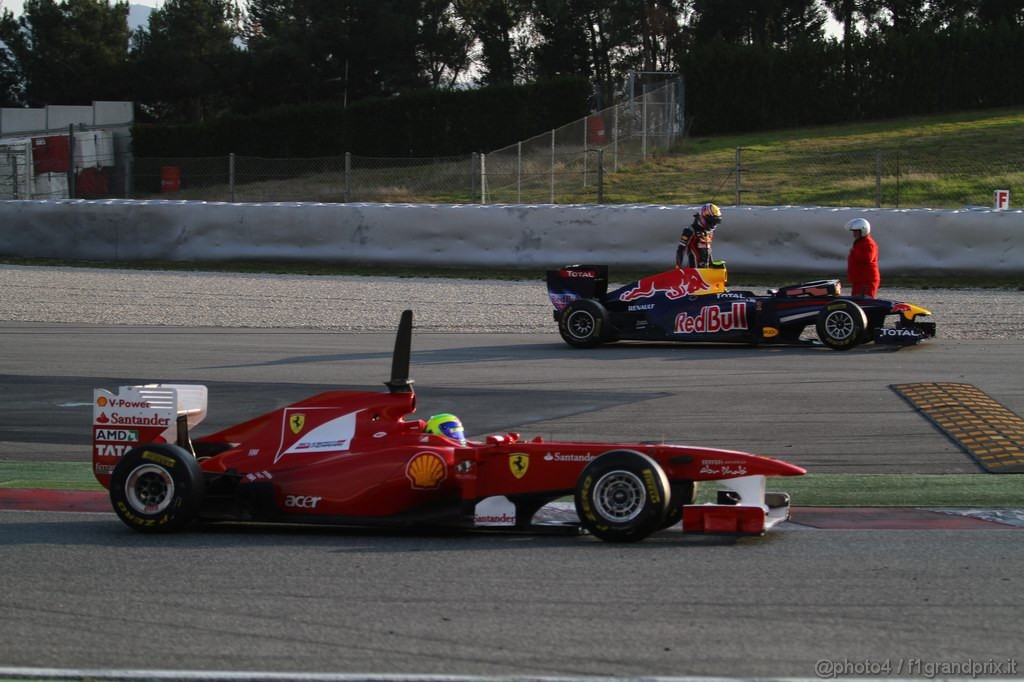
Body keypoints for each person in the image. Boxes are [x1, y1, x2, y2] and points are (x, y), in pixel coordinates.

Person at [676, 203, 721, 268]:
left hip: (706, 272)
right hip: (694, 272)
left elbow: (709, 251)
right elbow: (681, 249)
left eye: (715, 222)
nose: (713, 224)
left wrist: (712, 266)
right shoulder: (690, 230)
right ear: (705, 216)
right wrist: (678, 267)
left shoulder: (709, 232)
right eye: (712, 222)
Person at [846, 217, 880, 297]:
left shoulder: (868, 243)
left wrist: (854, 251)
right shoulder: (860, 242)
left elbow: (868, 258)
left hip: (866, 281)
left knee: (865, 304)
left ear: (863, 230)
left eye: (856, 231)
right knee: (856, 303)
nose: (854, 234)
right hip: (859, 280)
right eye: (853, 231)